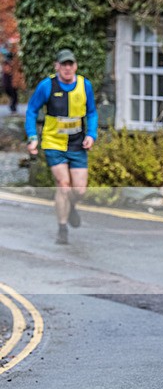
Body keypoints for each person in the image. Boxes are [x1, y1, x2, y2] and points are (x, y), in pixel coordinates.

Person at [26, 49, 98, 245]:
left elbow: (91, 112)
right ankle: (62, 228)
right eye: (63, 64)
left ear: (75, 66)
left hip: (77, 143)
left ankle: (71, 206)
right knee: (63, 185)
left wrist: (91, 134)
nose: (67, 68)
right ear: (56, 66)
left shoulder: (85, 85)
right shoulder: (47, 86)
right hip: (53, 143)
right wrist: (33, 137)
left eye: (70, 64)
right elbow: (32, 111)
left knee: (80, 190)